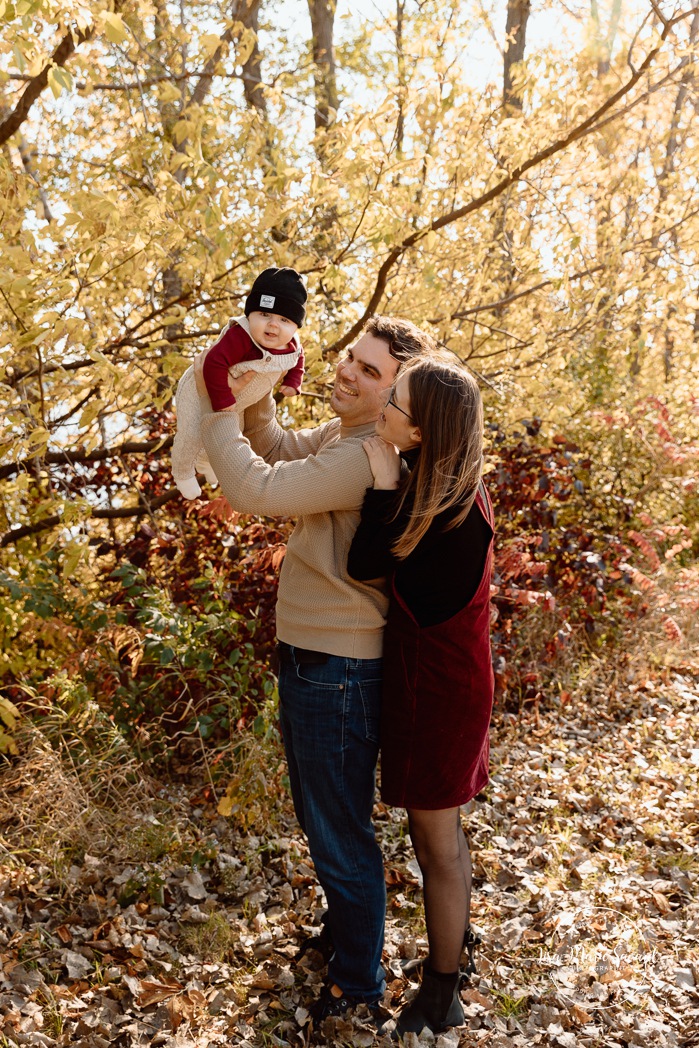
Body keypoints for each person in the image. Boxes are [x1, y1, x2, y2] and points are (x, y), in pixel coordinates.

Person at [198, 315, 438, 1022]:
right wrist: (259, 382)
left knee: (338, 831)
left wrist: (217, 401)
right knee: (322, 817)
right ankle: (347, 938)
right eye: (349, 358)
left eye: (370, 372)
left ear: (399, 393)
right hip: (314, 655)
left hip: (337, 664)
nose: (346, 372)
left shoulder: (364, 454)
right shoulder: (345, 436)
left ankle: (357, 984)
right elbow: (270, 445)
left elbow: (260, 491)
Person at [347, 354, 495, 1039]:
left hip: (442, 691)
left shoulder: (452, 513)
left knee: (436, 840)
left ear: (422, 430)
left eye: (395, 404)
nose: (383, 409)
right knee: (433, 832)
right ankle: (452, 948)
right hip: (432, 682)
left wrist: (381, 486)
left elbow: (366, 563)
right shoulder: (441, 488)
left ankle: (441, 991)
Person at [171, 267, 307, 499]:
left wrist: (294, 379)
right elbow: (213, 363)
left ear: (295, 326)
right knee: (192, 433)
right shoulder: (241, 336)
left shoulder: (291, 343)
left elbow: (298, 358)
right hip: (200, 388)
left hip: (240, 400)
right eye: (264, 315)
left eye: (283, 319)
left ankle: (207, 464)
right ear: (250, 316)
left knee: (232, 435)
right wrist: (223, 401)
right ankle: (182, 472)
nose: (273, 325)